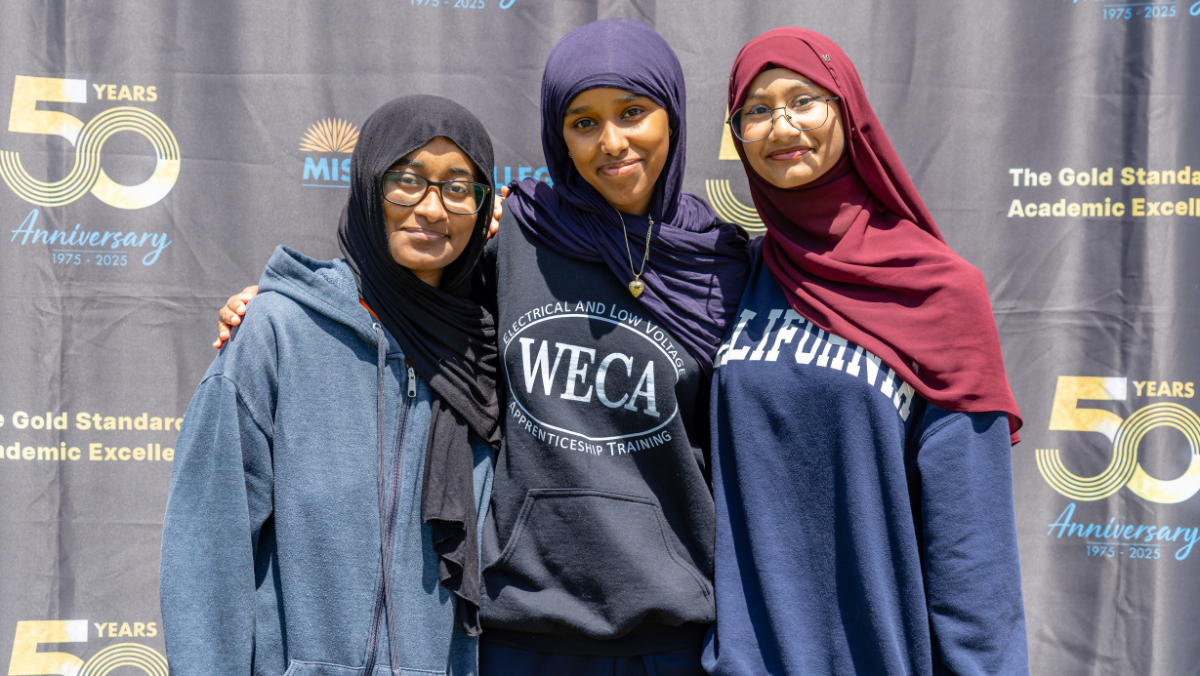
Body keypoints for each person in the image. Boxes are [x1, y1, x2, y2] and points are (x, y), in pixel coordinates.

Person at [213, 19, 750, 676]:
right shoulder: (522, 236)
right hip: (521, 630)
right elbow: (410, 287)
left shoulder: (722, 267)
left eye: (633, 112)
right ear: (558, 132)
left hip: (672, 631)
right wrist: (286, 299)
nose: (612, 141)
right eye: (584, 122)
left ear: (673, 115)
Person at [703, 28, 1029, 676]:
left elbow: (973, 548)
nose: (781, 125)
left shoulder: (939, 290)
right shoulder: (738, 273)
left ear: (848, 111)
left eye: (804, 100)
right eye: (757, 111)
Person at [160, 95, 503, 676]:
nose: (431, 208)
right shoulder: (279, 331)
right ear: (369, 186)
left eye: (457, 187)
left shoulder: (488, 353)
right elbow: (206, 551)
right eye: (408, 181)